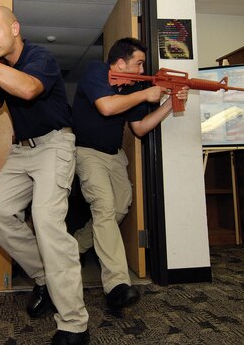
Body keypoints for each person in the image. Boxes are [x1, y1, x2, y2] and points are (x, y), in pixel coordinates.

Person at [0, 6, 89, 345]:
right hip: (22, 150)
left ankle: (74, 325)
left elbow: (26, 89)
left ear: (15, 28)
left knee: (46, 221)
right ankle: (44, 276)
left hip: (55, 144)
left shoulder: (40, 56)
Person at [71, 37, 189, 310]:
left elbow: (140, 128)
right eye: (138, 63)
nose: (141, 70)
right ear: (120, 62)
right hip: (87, 153)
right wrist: (146, 94)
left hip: (114, 156)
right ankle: (117, 286)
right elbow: (107, 106)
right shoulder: (95, 71)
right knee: (104, 208)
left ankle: (76, 245)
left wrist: (170, 103)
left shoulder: (133, 87)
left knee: (120, 207)